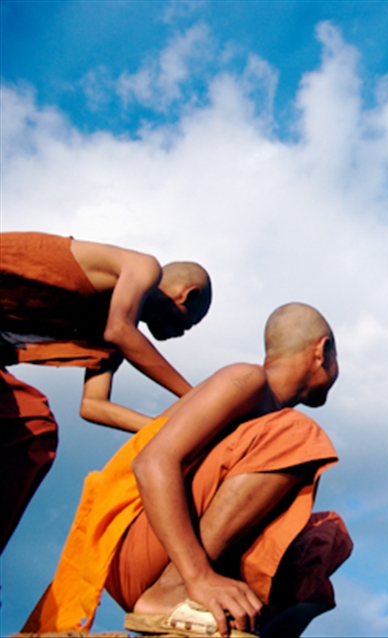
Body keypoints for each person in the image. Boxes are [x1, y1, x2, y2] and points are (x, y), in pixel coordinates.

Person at [23, 302, 352, 638]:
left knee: (329, 537)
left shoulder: (266, 422)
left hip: (189, 552)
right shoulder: (248, 379)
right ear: (322, 350)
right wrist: (197, 576)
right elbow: (151, 462)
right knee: (297, 432)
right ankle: (171, 592)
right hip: (146, 549)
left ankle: (235, 626)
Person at [1, 231, 212, 554]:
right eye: (191, 323)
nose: (182, 334)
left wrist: (173, 429)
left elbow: (94, 405)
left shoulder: (105, 335)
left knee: (33, 429)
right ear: (188, 294)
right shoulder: (142, 267)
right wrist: (198, 398)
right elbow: (120, 330)